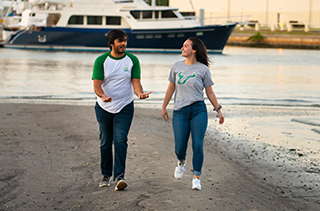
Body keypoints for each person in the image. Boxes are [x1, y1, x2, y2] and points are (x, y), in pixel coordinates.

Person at [161, 37, 224, 191]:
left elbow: (209, 91)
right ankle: (181, 162)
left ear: (194, 50)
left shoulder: (203, 69)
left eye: (186, 46)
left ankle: (196, 177)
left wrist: (218, 110)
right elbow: (171, 88)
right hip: (180, 112)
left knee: (197, 145)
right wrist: (164, 106)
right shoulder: (176, 66)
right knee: (179, 148)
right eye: (183, 46)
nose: (182, 48)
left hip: (198, 110)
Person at [92, 29, 151, 191]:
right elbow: (97, 84)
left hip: (125, 106)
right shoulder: (101, 60)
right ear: (112, 44)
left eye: (124, 40)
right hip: (104, 107)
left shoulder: (132, 60)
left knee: (120, 139)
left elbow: (136, 82)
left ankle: (119, 177)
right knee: (105, 142)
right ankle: (105, 175)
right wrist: (102, 95)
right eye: (120, 41)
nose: (123, 43)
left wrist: (139, 93)